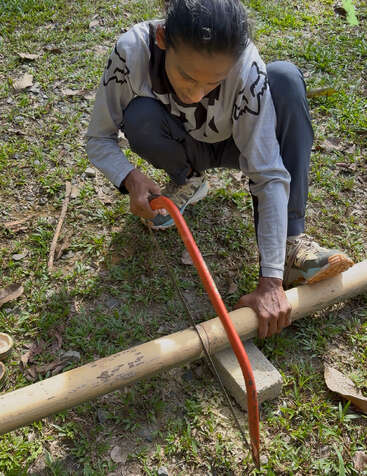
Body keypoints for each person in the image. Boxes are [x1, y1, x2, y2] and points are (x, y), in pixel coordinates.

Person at [86, 0, 353, 339]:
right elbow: (98, 138)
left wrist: (270, 281)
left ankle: (289, 244)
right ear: (163, 38)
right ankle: (189, 179)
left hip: (237, 142)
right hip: (180, 141)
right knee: (140, 118)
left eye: (213, 83)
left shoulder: (246, 66)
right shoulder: (131, 53)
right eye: (186, 76)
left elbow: (267, 172)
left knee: (284, 79)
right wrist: (129, 176)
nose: (196, 95)